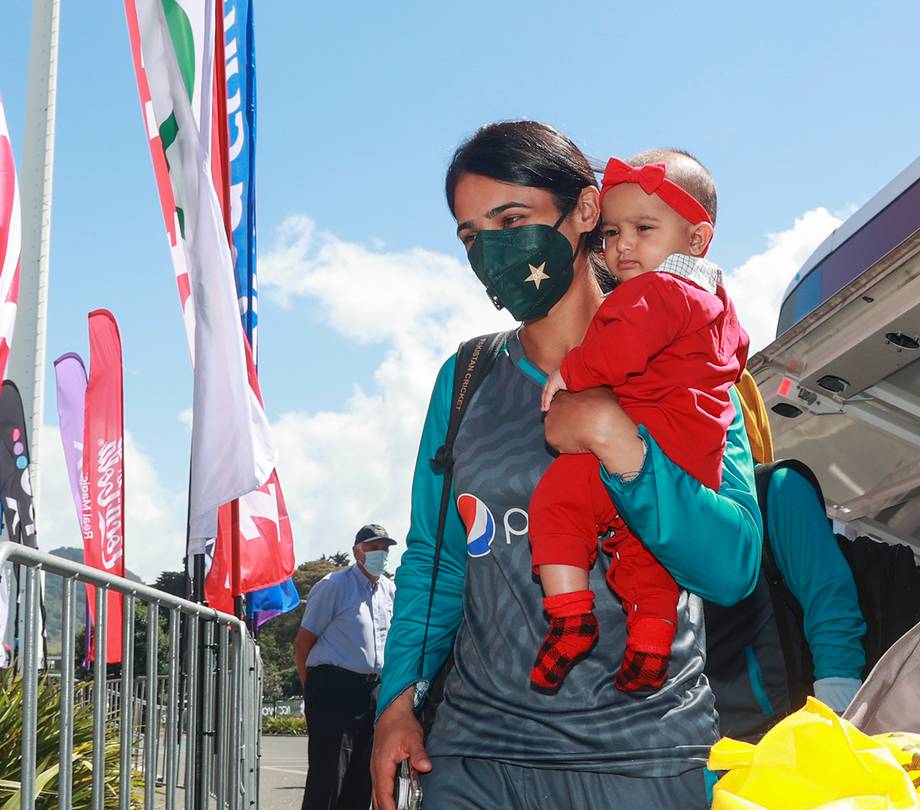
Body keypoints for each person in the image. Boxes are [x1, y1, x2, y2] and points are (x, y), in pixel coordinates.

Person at [369, 120, 762, 810]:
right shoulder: (464, 378)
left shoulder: (693, 364)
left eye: (512, 219)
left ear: (585, 211)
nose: (491, 249)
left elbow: (733, 569)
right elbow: (436, 560)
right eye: (470, 234)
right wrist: (397, 702)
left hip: (648, 760)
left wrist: (621, 444)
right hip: (476, 758)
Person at [530, 150, 748, 693]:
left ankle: (569, 616)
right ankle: (650, 648)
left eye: (643, 228)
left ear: (696, 240)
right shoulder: (716, 300)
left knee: (556, 504)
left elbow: (622, 346)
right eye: (610, 233)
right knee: (644, 558)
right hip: (692, 461)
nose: (622, 245)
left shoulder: (658, 291)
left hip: (643, 431)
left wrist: (571, 371)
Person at [704, 376, 867, 740]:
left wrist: (837, 708)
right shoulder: (671, 503)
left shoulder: (777, 488)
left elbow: (829, 596)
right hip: (708, 732)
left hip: (780, 726)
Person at [295, 524, 397, 810]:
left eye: (384, 549)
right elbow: (303, 643)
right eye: (373, 548)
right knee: (328, 778)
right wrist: (312, 691)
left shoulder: (389, 590)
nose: (380, 554)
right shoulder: (334, 586)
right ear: (357, 551)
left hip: (373, 690)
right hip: (335, 687)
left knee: (361, 780)